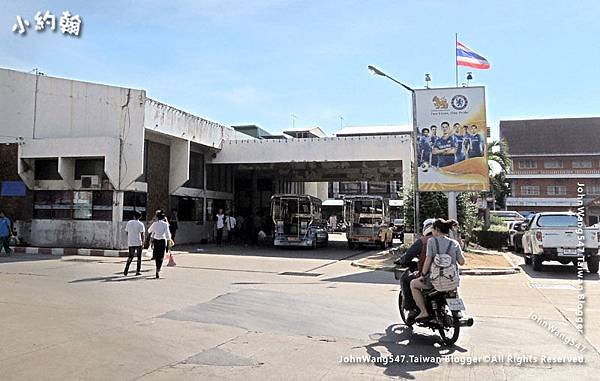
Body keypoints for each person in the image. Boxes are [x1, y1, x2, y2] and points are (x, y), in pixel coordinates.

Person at [410, 219, 465, 321]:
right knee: (453, 287)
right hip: (451, 280)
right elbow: (461, 262)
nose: (433, 232)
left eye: (433, 229)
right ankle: (458, 311)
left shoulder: (432, 241)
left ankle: (423, 311)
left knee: (413, 284)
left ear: (437, 230)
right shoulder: (454, 243)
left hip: (435, 281)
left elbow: (428, 260)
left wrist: (423, 274)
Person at [395, 219, 436, 317]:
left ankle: (412, 309)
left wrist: (401, 260)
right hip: (449, 277)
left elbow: (408, 255)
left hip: (429, 276)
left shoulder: (423, 241)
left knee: (406, 280)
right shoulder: (447, 241)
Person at [148, 210, 171, 279]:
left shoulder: (155, 224)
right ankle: (158, 269)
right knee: (161, 256)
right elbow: (167, 234)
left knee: (157, 255)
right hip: (163, 241)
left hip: (156, 241)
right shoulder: (165, 224)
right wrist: (169, 241)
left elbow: (149, 230)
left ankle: (157, 267)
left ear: (157, 217)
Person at [124, 211, 145, 276]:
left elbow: (126, 232)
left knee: (130, 256)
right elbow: (142, 234)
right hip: (138, 242)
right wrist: (143, 242)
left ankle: (126, 269)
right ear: (140, 217)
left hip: (131, 242)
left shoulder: (129, 223)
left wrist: (130, 237)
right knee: (139, 257)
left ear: (134, 216)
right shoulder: (141, 224)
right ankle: (137, 271)